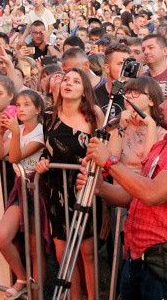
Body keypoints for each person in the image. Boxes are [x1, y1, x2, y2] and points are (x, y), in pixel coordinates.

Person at [82, 81, 167, 300]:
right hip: (137, 256)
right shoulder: (165, 143)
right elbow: (135, 195)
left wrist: (109, 161)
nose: (161, 105)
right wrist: (100, 187)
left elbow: (152, 193)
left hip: (162, 265)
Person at [35, 67, 105, 300]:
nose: (68, 84)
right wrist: (43, 163)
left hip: (84, 188)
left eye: (76, 81)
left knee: (87, 253)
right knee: (64, 253)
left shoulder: (93, 115)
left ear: (84, 91)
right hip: (57, 190)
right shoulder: (49, 116)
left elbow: (103, 150)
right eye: (66, 80)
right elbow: (47, 150)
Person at [0, 89, 46, 300]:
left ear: (38, 109)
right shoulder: (19, 128)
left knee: (35, 247)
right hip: (20, 187)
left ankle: (38, 293)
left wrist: (15, 133)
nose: (21, 109)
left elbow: (14, 157)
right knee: (2, 236)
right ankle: (22, 278)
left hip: (36, 189)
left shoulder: (40, 134)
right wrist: (0, 132)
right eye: (18, 105)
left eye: (26, 105)